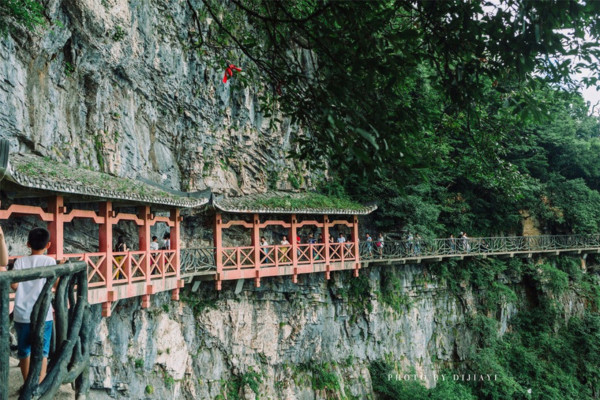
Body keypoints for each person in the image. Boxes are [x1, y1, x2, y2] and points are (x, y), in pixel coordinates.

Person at [11, 228, 56, 382]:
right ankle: (40, 383)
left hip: (22, 313)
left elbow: (14, 285)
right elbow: (56, 283)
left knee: (24, 350)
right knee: (42, 351)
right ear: (48, 245)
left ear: (28, 244)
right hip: (44, 315)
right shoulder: (50, 261)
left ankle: (27, 384)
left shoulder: (20, 261)